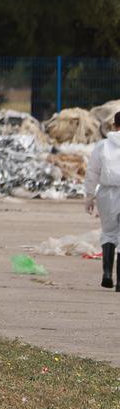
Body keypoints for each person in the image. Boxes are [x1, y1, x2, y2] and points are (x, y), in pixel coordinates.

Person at [84, 111, 120, 291]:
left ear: (114, 125)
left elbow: (92, 172)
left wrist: (89, 196)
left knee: (109, 233)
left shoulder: (102, 145)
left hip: (107, 193)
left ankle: (107, 274)